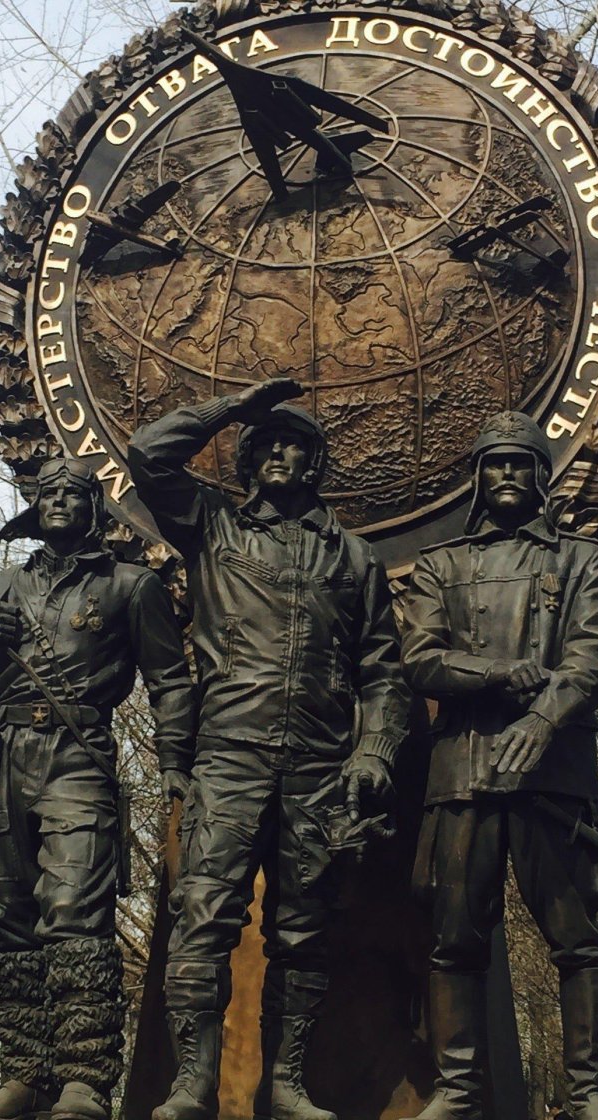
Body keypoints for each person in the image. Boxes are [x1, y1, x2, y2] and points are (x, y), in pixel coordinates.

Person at [127, 379, 411, 1120]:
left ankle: (284, 1084)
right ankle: (192, 1084)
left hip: (318, 768)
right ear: (249, 459)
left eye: (296, 446)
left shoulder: (353, 558)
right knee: (205, 913)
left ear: (315, 464)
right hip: (230, 754)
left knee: (304, 931)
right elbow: (148, 455)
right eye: (267, 445)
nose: (281, 454)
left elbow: (383, 669)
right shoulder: (213, 526)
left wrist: (374, 750)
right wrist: (233, 409)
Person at [0, 459, 195, 1120]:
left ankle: (85, 1080)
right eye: (48, 493)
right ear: (34, 510)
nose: (59, 500)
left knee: (73, 911)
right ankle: (26, 1077)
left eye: (74, 493)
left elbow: (171, 682)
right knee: (7, 921)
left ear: (95, 509)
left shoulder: (130, 587)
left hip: (77, 756)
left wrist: (176, 761)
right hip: (3, 762)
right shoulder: (1, 586)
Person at [400, 411, 598, 1120]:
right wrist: (499, 676)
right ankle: (459, 1087)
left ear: (539, 475)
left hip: (551, 774)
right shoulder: (443, 564)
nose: (505, 475)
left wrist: (541, 718)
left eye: (518, 463)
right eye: (493, 462)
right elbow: (421, 658)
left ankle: (591, 1093)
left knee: (576, 936)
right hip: (462, 773)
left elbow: (591, 656)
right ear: (478, 475)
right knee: (455, 938)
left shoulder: (585, 561)